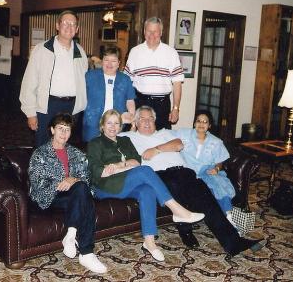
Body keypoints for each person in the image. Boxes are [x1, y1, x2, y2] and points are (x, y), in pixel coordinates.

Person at [120, 106, 263, 256]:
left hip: (182, 171)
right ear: (136, 122)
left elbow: (178, 144)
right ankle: (185, 231)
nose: (147, 122)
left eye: (150, 118)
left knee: (205, 196)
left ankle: (233, 243)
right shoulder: (129, 137)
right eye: (142, 119)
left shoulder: (165, 133)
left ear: (155, 120)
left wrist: (156, 149)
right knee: (175, 187)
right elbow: (109, 134)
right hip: (157, 175)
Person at [87, 109, 205, 262]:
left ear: (121, 126)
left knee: (147, 190)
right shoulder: (95, 143)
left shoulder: (125, 141)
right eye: (109, 123)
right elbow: (98, 172)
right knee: (145, 171)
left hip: (123, 180)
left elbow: (136, 161)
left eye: (116, 123)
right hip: (104, 186)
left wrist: (118, 165)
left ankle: (149, 242)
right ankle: (177, 210)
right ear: (102, 125)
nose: (113, 126)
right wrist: (122, 167)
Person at [28, 113, 107, 274]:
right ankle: (86, 252)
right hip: (48, 198)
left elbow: (86, 178)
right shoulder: (40, 154)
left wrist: (73, 179)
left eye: (68, 130)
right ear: (52, 130)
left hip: (74, 196)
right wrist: (60, 184)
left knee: (82, 190)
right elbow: (36, 184)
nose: (64, 133)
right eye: (60, 129)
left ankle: (72, 236)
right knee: (83, 196)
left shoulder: (77, 154)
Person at [19, 10, 88, 147]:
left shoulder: (80, 51)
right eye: (65, 23)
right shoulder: (42, 49)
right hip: (48, 105)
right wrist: (30, 113)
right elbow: (29, 82)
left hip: (72, 107)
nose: (69, 27)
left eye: (73, 24)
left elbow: (84, 80)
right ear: (57, 26)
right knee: (44, 145)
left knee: (65, 146)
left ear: (77, 29)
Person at [172, 110, 236, 221]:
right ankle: (226, 216)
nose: (201, 124)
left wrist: (217, 168)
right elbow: (164, 135)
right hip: (187, 172)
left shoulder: (216, 142)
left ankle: (229, 215)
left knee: (218, 182)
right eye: (198, 121)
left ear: (209, 125)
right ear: (194, 123)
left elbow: (219, 161)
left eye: (205, 122)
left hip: (206, 171)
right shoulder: (183, 133)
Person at [124, 17, 183, 130]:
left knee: (162, 137)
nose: (152, 34)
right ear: (144, 32)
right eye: (148, 31)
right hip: (140, 102)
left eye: (155, 31)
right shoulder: (135, 51)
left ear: (161, 32)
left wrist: (176, 108)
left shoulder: (171, 52)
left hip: (162, 105)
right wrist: (127, 108)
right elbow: (126, 82)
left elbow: (177, 84)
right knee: (137, 138)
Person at [83, 47, 136, 142]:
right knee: (93, 151)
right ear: (101, 61)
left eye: (113, 61)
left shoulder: (125, 79)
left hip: (116, 124)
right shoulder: (90, 76)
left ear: (119, 63)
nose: (109, 64)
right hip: (93, 122)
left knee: (114, 152)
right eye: (106, 59)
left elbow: (130, 100)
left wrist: (131, 116)